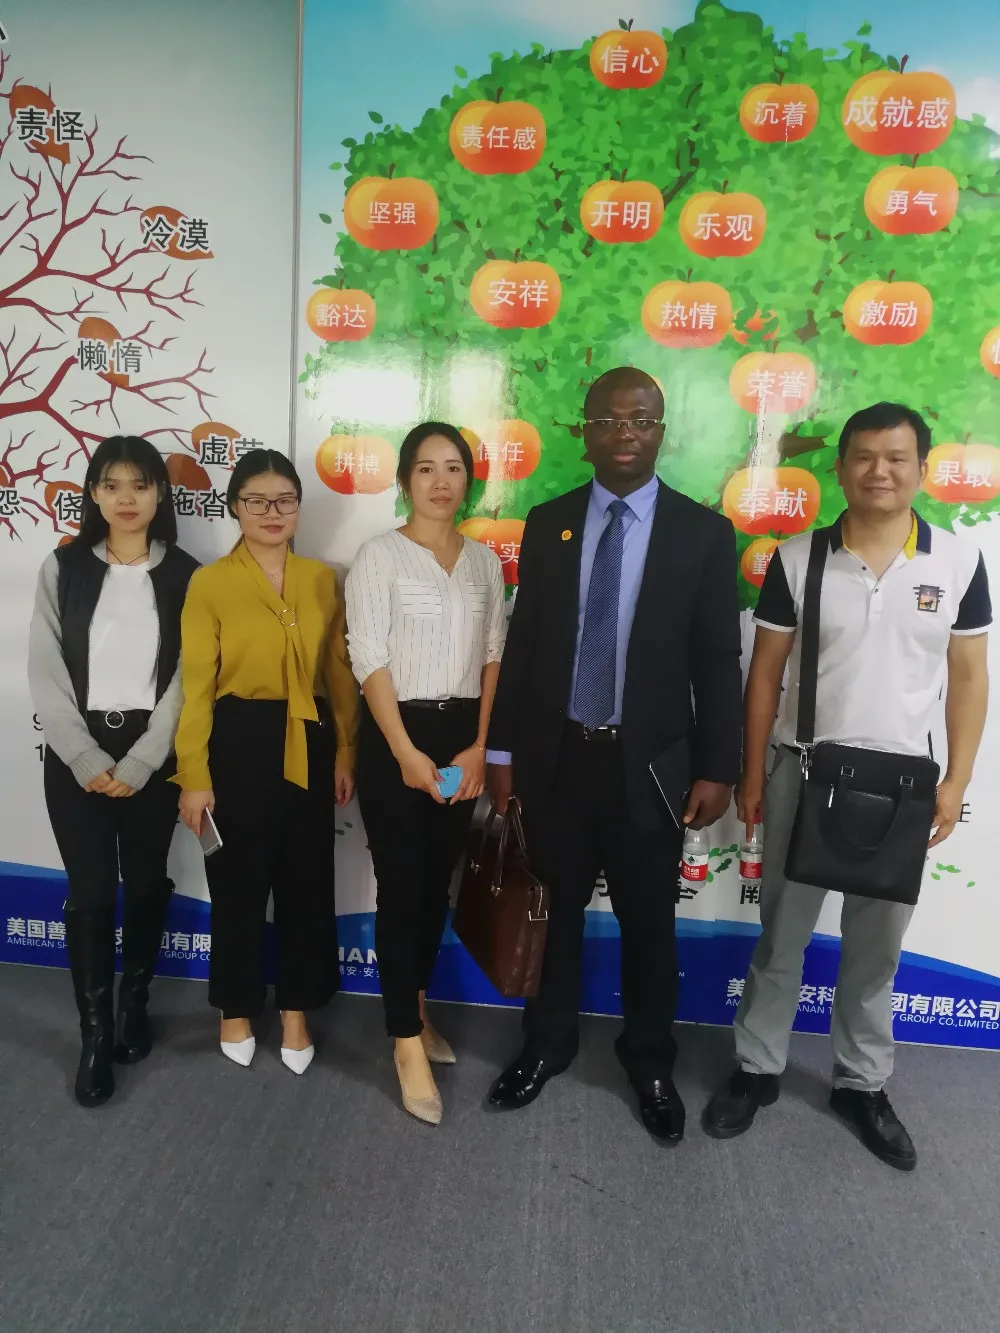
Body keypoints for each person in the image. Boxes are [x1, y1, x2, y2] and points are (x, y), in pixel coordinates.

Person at [703, 402, 991, 1171]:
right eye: (864, 457)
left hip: (904, 789)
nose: (879, 471)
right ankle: (756, 1068)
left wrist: (957, 779)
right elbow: (765, 673)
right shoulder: (798, 558)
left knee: (876, 949)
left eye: (897, 458)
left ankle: (861, 1083)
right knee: (781, 938)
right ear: (841, 468)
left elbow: (969, 676)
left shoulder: (959, 563)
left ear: (922, 468)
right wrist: (752, 772)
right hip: (804, 773)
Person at [485, 367, 742, 1141]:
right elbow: (526, 644)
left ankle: (651, 1061)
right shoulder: (550, 522)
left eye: (641, 419)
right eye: (609, 419)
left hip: (651, 768)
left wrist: (719, 766)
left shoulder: (703, 533)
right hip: (558, 759)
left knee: (649, 925)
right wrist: (502, 751)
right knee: (551, 916)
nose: (625, 432)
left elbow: (717, 660)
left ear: (661, 431)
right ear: (586, 431)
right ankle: (545, 1044)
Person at [28, 435, 198, 1107]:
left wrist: (145, 758)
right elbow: (44, 667)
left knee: (148, 880)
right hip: (78, 755)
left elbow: (189, 678)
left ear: (160, 494)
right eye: (112, 484)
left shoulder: (187, 574)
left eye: (141, 484)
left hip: (154, 753)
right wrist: (84, 756)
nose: (127, 498)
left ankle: (135, 1003)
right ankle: (94, 1034)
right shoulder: (64, 566)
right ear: (94, 494)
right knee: (92, 892)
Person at [174, 450, 357, 1074]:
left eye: (285, 500)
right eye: (257, 500)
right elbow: (197, 688)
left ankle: (297, 1010)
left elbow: (338, 673)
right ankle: (235, 1007)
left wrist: (347, 748)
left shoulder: (321, 579)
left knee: (307, 880)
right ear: (234, 507)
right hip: (238, 740)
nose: (272, 512)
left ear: (299, 507)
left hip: (310, 736)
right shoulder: (210, 583)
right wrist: (194, 776)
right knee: (237, 881)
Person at [345, 422, 506, 1125]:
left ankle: (415, 1006)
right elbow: (368, 655)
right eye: (426, 468)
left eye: (454, 468)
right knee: (401, 887)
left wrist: (479, 746)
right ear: (405, 480)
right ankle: (404, 1040)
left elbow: (494, 655)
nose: (442, 481)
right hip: (395, 736)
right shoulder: (379, 555)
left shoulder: (485, 562)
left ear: (469, 479)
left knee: (436, 885)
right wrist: (406, 753)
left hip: (462, 738)